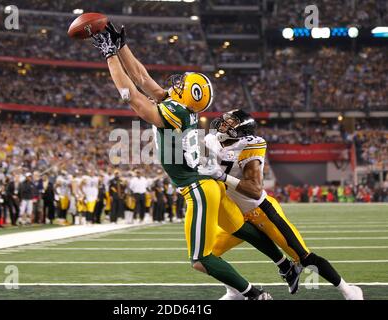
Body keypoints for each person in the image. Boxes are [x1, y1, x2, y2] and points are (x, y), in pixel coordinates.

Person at [88, 23, 286, 299]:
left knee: (201, 259)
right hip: (206, 184)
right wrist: (121, 47)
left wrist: (109, 55)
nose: (177, 84)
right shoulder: (182, 109)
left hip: (199, 189)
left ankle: (253, 295)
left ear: (186, 95)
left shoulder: (174, 112)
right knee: (240, 227)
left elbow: (130, 94)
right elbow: (143, 78)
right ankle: (284, 263)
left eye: (183, 85)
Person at [200, 109, 364, 300]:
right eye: (226, 119)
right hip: (235, 213)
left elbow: (255, 189)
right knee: (207, 256)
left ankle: (349, 291)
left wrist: (222, 176)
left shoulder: (250, 145)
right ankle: (234, 291)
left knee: (304, 256)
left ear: (241, 131)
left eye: (230, 122)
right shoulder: (210, 139)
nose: (224, 123)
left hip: (261, 212)